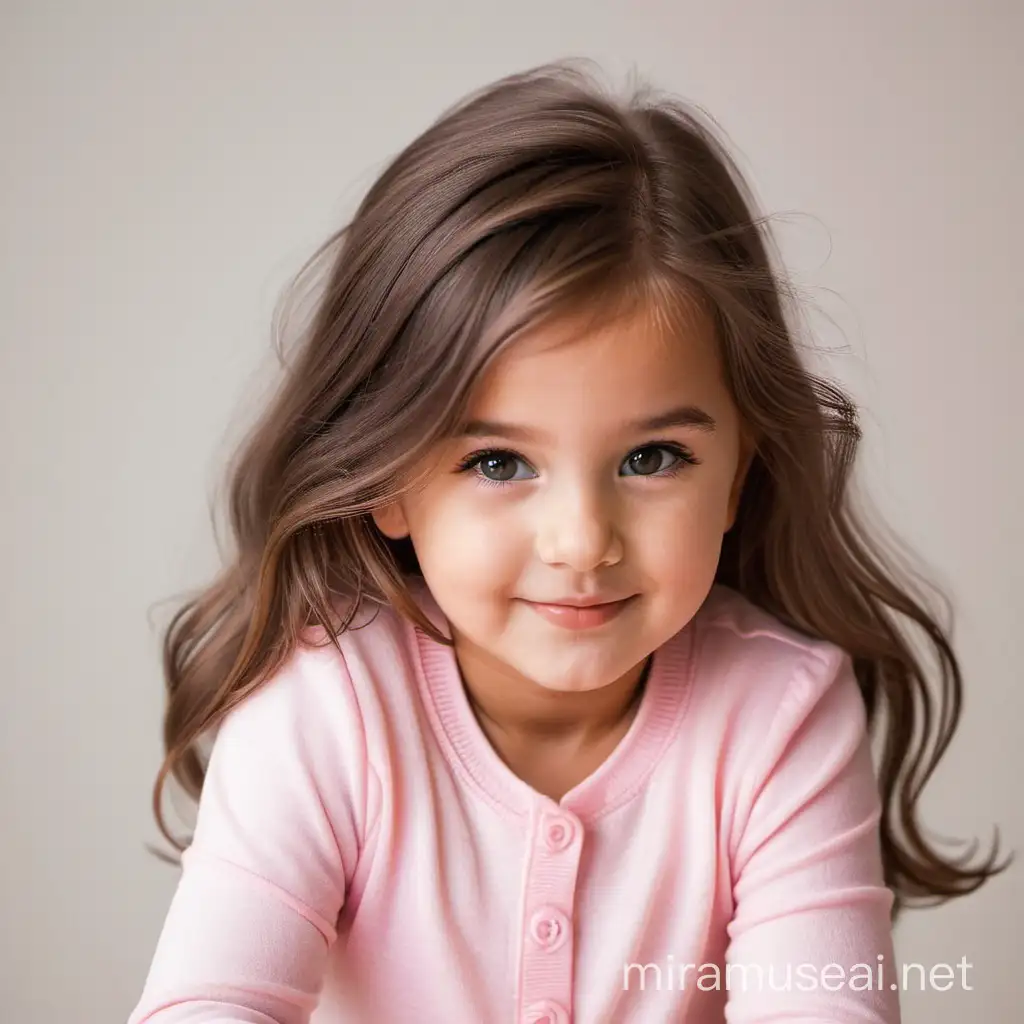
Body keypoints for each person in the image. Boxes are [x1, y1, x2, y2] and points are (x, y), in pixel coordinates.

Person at [126, 60, 1008, 1024]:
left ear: (739, 474)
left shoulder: (778, 714)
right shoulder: (327, 707)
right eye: (500, 464)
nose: (583, 541)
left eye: (654, 457)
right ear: (386, 478)